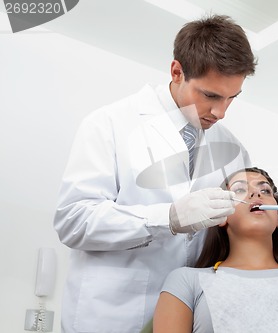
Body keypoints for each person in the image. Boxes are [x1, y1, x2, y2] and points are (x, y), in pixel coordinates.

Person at [53, 15, 256, 333]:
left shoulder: (232, 147)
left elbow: (244, 227)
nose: (222, 112)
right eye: (211, 96)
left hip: (186, 318)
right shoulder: (109, 124)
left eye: (232, 97)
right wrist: (168, 218)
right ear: (177, 72)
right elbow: (73, 221)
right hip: (111, 316)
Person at [153, 167, 278, 333]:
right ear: (221, 216)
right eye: (240, 190)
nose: (256, 194)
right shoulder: (186, 282)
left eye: (266, 191)